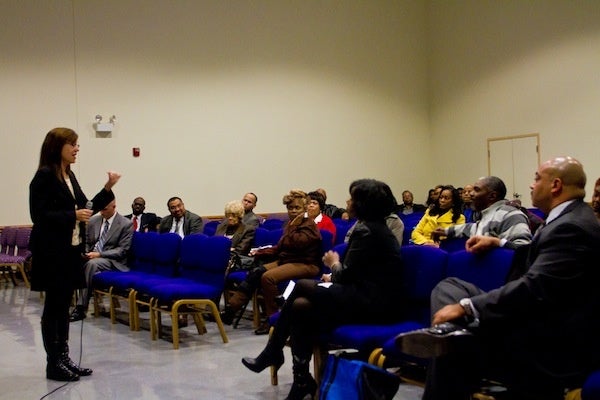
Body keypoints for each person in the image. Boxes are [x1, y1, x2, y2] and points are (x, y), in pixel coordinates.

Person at [396, 156, 600, 400]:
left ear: (555, 185)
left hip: (547, 337)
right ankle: (449, 333)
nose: (532, 185)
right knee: (450, 286)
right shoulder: (567, 218)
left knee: (453, 348)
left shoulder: (572, 226)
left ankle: (448, 336)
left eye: (537, 178)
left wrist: (467, 307)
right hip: (531, 315)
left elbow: (535, 287)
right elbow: (540, 256)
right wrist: (499, 241)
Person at [241, 179, 404, 400]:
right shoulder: (373, 227)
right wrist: (335, 272)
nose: (348, 202)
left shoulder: (367, 230)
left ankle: (274, 352)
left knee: (301, 286)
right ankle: (301, 380)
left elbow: (345, 274)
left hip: (372, 303)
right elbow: (359, 272)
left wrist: (333, 264)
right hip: (364, 294)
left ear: (363, 203)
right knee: (300, 306)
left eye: (353, 197)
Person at [29, 127, 120, 381]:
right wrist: (72, 215)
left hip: (70, 252)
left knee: (64, 307)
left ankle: (64, 357)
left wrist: (108, 186)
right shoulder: (44, 176)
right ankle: (53, 363)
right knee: (54, 307)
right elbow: (38, 216)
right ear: (58, 146)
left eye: (78, 145)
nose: (77, 149)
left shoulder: (68, 175)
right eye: (73, 144)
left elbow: (87, 206)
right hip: (52, 253)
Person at [220, 190, 322, 334]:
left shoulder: (309, 224)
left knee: (268, 277)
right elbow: (281, 246)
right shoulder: (291, 223)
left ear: (304, 209)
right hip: (287, 260)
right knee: (257, 271)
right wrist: (261, 252)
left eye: (297, 208)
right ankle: (232, 309)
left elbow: (299, 244)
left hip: (306, 264)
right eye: (290, 208)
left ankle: (273, 319)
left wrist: (294, 226)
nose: (293, 211)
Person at [70, 199, 133, 322]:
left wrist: (99, 254)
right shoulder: (94, 220)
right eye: (100, 209)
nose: (102, 212)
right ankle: (63, 301)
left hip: (112, 260)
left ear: (114, 206)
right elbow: (87, 241)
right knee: (72, 259)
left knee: (91, 264)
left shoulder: (125, 224)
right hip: (92, 255)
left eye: (105, 209)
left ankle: (81, 307)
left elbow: (122, 250)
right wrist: (85, 252)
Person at [431, 176, 532, 252]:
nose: (470, 194)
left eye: (476, 190)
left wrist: (497, 242)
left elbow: (525, 250)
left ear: (492, 196)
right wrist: (446, 231)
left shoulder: (511, 215)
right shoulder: (488, 215)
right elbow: (471, 228)